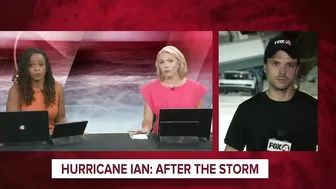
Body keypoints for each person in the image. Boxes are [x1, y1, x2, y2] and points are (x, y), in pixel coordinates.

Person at [224, 36, 317, 151]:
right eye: (276, 64)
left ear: (297, 70)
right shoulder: (247, 110)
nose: (282, 72)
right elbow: (230, 158)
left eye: (289, 65)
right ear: (265, 68)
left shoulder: (315, 109)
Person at [132, 46, 208, 135]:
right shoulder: (150, 89)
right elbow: (148, 120)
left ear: (179, 64)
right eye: (161, 62)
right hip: (160, 140)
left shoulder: (197, 89)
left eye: (170, 61)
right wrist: (145, 129)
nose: (166, 65)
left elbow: (200, 121)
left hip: (189, 139)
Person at [6, 47, 67, 135]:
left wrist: (72, 132)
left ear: (46, 68)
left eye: (41, 65)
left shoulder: (58, 87)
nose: (37, 69)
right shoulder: (16, 90)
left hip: (52, 138)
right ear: (25, 69)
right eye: (31, 65)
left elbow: (61, 119)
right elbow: (13, 124)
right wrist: (43, 132)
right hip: (26, 138)